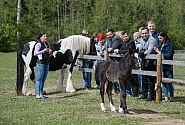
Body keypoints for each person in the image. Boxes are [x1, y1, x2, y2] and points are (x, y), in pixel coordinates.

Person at [114, 30, 138, 97]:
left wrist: (119, 51)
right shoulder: (124, 42)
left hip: (133, 62)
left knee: (134, 78)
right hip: (127, 64)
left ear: (128, 36)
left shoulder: (131, 42)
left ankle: (135, 92)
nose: (125, 38)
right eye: (124, 37)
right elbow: (122, 49)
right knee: (128, 78)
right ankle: (129, 91)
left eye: (126, 36)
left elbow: (129, 51)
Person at [154, 32, 175, 102]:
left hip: (168, 66)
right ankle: (166, 98)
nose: (160, 40)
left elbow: (169, 55)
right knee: (163, 82)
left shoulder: (169, 45)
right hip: (161, 66)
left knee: (169, 82)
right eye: (159, 38)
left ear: (164, 37)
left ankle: (171, 97)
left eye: (161, 38)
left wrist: (160, 53)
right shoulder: (160, 45)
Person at [138, 27, 157, 101]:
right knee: (144, 78)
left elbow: (149, 51)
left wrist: (142, 53)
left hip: (151, 62)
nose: (144, 35)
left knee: (151, 79)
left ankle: (152, 95)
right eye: (143, 33)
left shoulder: (152, 40)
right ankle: (144, 94)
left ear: (148, 33)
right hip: (144, 61)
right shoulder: (142, 40)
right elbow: (140, 49)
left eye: (146, 33)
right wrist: (141, 52)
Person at [34, 33, 52, 99]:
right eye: (44, 36)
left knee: (43, 79)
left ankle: (41, 93)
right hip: (40, 63)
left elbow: (48, 55)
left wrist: (50, 52)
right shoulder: (39, 44)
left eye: (46, 36)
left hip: (46, 63)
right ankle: (37, 94)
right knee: (39, 79)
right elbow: (35, 53)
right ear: (40, 38)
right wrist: (43, 51)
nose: (46, 37)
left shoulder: (47, 44)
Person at [106, 28, 122, 94]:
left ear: (113, 33)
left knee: (121, 76)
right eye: (107, 35)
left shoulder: (116, 38)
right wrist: (108, 49)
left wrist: (111, 49)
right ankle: (115, 89)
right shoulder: (109, 40)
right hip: (113, 60)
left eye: (110, 34)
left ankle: (126, 91)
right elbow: (106, 48)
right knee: (114, 75)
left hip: (119, 60)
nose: (109, 36)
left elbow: (113, 48)